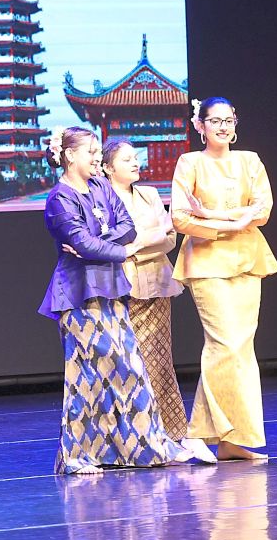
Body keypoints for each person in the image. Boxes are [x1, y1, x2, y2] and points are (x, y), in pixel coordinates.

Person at [41, 126, 199, 474]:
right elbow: (81, 245)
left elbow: (125, 226)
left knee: (128, 370)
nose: (97, 158)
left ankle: (140, 448)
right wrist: (118, 248)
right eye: (90, 153)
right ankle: (77, 456)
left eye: (98, 152)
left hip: (112, 287)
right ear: (69, 156)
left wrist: (107, 244)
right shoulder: (60, 199)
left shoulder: (100, 186)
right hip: (79, 294)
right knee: (87, 375)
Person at [171, 97, 277, 460]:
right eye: (214, 120)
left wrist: (217, 216)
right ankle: (201, 433)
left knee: (240, 349)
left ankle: (230, 439)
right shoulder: (191, 163)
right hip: (206, 261)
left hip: (248, 260)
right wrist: (231, 222)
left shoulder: (249, 161)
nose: (222, 126)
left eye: (229, 120)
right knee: (225, 344)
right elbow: (182, 218)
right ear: (199, 126)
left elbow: (262, 209)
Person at [100, 138, 198, 448]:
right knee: (124, 362)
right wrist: (143, 242)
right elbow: (108, 243)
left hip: (156, 282)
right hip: (121, 287)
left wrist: (134, 247)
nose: (135, 162)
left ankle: (167, 430)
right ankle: (128, 435)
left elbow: (169, 238)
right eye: (126, 159)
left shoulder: (151, 194)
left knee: (158, 359)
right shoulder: (101, 199)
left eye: (135, 157)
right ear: (107, 167)